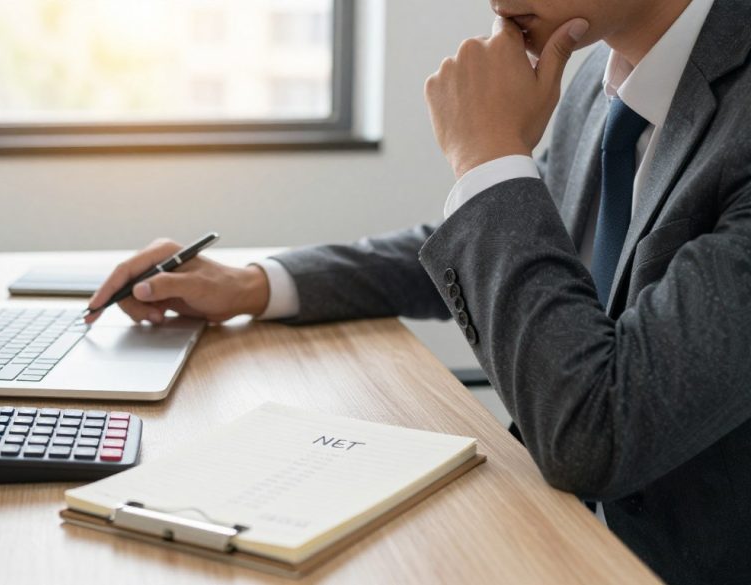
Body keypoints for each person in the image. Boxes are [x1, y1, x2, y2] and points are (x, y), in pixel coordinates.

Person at [85, 0, 751, 581]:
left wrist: (487, 156)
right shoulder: (595, 86)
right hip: (549, 532)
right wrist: (259, 284)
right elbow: (514, 251)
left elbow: (598, 431)